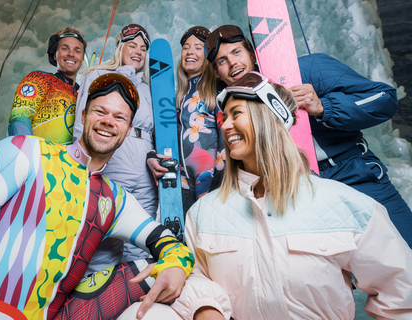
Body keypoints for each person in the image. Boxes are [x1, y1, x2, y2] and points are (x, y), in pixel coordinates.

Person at [124, 72, 412, 319]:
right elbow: (197, 276)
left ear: (269, 119)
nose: (223, 126)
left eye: (236, 114)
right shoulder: (204, 213)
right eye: (225, 118)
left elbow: (402, 294)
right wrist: (205, 306)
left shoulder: (345, 204)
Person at [0, 73, 194, 320]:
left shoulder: (115, 199)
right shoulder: (26, 151)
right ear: (83, 115)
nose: (108, 121)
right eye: (100, 111)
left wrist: (176, 266)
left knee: (150, 269)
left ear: (127, 131)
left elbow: (174, 246)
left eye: (119, 117)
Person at [203, 24, 412, 248]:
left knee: (404, 253)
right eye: (222, 60)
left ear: (252, 53)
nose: (233, 62)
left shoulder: (307, 69)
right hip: (295, 194)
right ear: (218, 73)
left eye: (237, 52)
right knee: (331, 276)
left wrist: (324, 107)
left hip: (353, 176)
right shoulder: (230, 109)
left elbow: (384, 98)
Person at [56, 24, 159, 320]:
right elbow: (82, 123)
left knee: (140, 232)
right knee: (107, 227)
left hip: (145, 164)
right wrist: (82, 168)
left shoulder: (150, 87)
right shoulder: (97, 76)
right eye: (132, 45)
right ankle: (92, 302)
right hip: (116, 156)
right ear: (120, 48)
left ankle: (128, 301)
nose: (138, 51)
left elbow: (155, 131)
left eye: (143, 48)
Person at [147, 26, 225, 216]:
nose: (190, 52)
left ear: (207, 54)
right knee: (186, 237)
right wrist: (151, 155)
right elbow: (162, 138)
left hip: (211, 177)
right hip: (181, 180)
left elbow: (225, 135)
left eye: (198, 47)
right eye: (186, 47)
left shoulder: (216, 89)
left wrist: (220, 176)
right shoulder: (174, 97)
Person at [8, 27, 85, 145]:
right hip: (38, 160)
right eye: (65, 48)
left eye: (77, 51)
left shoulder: (83, 94)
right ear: (55, 55)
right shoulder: (39, 79)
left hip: (72, 163)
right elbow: (19, 119)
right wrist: (28, 155)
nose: (71, 54)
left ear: (82, 59)